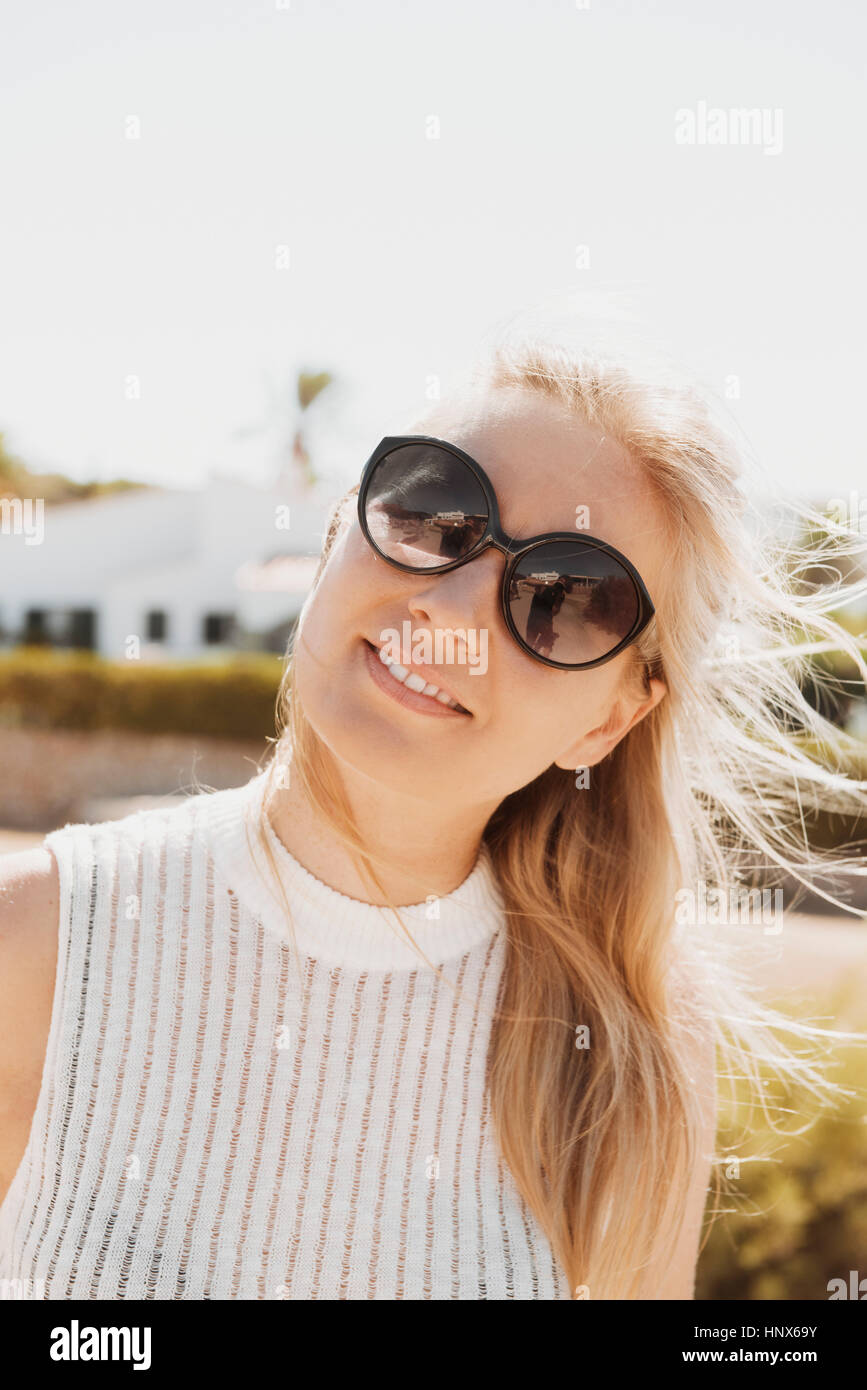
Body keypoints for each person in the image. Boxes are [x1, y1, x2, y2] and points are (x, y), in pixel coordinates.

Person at [1, 310, 865, 1300]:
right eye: (433, 513)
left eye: (566, 595)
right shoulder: (34, 945)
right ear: (341, 528)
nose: (450, 612)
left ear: (611, 721)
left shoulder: (636, 1061)